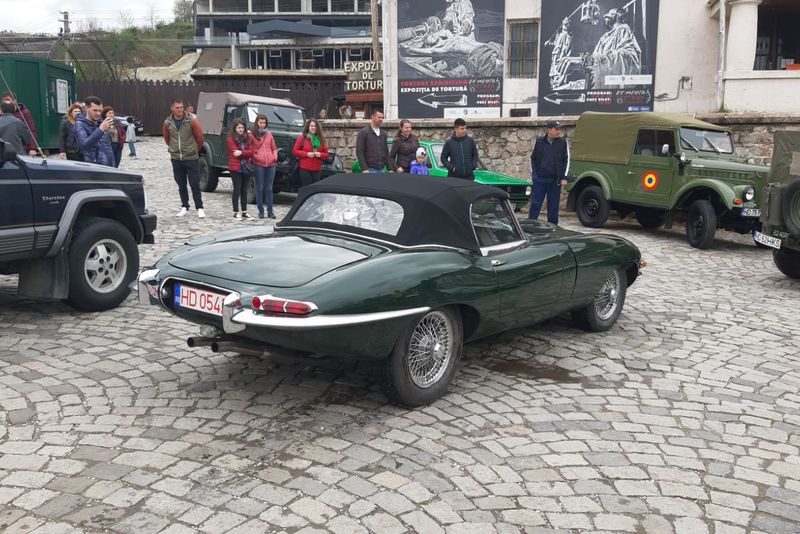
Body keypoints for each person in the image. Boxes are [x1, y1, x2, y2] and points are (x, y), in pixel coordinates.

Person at [163, 99, 206, 218]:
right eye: (177, 108)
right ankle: (184, 206)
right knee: (181, 184)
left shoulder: (192, 121)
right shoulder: (167, 122)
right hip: (176, 158)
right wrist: (174, 149)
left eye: (181, 107)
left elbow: (200, 138)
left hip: (191, 157)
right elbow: (167, 138)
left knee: (195, 184)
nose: (180, 110)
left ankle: (199, 207)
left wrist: (194, 150)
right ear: (172, 109)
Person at [529, 120, 570, 225]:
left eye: (559, 129)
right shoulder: (539, 142)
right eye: (556, 129)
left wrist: (564, 177)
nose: (558, 131)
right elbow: (533, 158)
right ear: (549, 130)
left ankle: (553, 228)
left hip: (554, 181)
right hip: (540, 179)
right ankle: (530, 225)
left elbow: (566, 160)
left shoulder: (562, 143)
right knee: (535, 204)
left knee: (553, 207)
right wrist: (534, 175)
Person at [591, 8, 642, 89]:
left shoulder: (623, 29)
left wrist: (606, 57)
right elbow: (595, 55)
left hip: (611, 69)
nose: (605, 16)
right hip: (599, 69)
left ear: (618, 15)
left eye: (610, 13)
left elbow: (628, 52)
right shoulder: (604, 37)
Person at [249, 114, 278, 219]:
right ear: (257, 123)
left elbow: (274, 148)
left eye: (264, 123)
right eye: (260, 122)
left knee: (269, 188)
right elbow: (250, 149)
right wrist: (256, 157)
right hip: (259, 164)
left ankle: (270, 211)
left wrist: (274, 157)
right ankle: (261, 211)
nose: (262, 124)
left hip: (271, 164)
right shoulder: (252, 135)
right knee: (260, 187)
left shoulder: (269, 134)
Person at [74, 96, 115, 167]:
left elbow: (108, 148)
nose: (98, 113)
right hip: (93, 168)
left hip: (107, 167)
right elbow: (84, 146)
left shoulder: (101, 123)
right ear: (86, 109)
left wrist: (112, 165)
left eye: (100, 111)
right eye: (95, 110)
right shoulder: (79, 125)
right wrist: (100, 130)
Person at [227, 118, 254, 221]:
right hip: (236, 168)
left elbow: (252, 152)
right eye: (239, 127)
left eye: (242, 127)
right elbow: (235, 154)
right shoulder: (230, 139)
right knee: (237, 190)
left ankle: (244, 211)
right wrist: (245, 153)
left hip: (246, 167)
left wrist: (242, 152)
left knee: (244, 190)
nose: (241, 129)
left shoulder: (248, 138)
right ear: (235, 128)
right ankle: (235, 212)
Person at [292, 119, 329, 187]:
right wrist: (307, 154)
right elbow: (295, 151)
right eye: (311, 126)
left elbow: (326, 154)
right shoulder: (302, 138)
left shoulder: (321, 139)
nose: (313, 127)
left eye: (315, 126)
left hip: (317, 169)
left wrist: (320, 154)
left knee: (315, 189)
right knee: (306, 188)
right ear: (308, 127)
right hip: (304, 169)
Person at [1, 91, 38, 156]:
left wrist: (32, 148)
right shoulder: (2, 113)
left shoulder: (24, 112)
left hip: (20, 148)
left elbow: (31, 130)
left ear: (14, 101)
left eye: (8, 99)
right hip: (3, 149)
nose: (5, 102)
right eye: (3, 100)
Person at [356, 109, 390, 173]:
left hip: (382, 169)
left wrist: (390, 168)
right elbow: (359, 151)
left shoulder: (383, 133)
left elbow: (386, 152)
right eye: (379, 117)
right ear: (372, 117)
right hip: (369, 170)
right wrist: (364, 168)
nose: (381, 119)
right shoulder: (363, 132)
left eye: (382, 117)